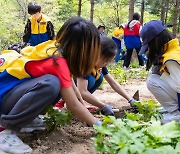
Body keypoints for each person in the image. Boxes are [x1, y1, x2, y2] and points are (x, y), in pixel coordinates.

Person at [0, 17, 102, 154]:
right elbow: (72, 104)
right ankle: (5, 131)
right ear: (84, 49)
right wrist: (100, 126)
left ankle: (26, 120)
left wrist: (84, 105)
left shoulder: (55, 50)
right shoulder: (58, 62)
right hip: (4, 95)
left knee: (56, 84)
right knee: (51, 84)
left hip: (9, 92)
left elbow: (71, 88)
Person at [76, 37, 136, 115]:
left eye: (109, 61)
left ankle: (78, 102)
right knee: (91, 79)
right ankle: (72, 101)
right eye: (106, 60)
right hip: (68, 90)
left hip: (79, 91)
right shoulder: (84, 63)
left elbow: (113, 83)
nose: (106, 63)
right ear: (96, 54)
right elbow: (82, 91)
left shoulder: (98, 64)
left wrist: (130, 99)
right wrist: (103, 106)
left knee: (99, 77)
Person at [138, 20, 180, 124]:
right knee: (154, 77)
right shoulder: (174, 50)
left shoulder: (170, 59)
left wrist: (164, 76)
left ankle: (176, 114)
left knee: (152, 80)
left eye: (148, 47)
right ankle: (173, 111)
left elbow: (179, 86)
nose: (148, 50)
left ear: (155, 42)